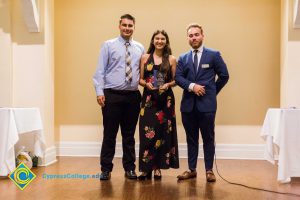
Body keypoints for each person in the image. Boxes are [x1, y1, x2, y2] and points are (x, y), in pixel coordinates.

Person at [93, 14, 144, 180]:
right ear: (119, 26)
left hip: (132, 97)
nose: (127, 28)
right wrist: (99, 92)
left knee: (129, 136)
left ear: (134, 27)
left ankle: (130, 168)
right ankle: (105, 169)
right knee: (109, 134)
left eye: (130, 25)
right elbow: (100, 71)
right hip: (112, 96)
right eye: (125, 25)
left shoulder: (140, 48)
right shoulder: (108, 45)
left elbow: (143, 73)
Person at [175, 24, 229, 182]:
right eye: (190, 35)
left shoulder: (213, 55)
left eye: (196, 35)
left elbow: (224, 75)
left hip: (207, 106)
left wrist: (211, 92)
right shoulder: (183, 58)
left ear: (202, 35)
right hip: (188, 107)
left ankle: (209, 170)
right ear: (187, 38)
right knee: (191, 139)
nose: (194, 38)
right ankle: (191, 169)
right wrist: (192, 86)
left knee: (208, 138)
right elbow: (178, 78)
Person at [138, 30, 179, 180]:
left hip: (165, 101)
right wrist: (147, 84)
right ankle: (145, 169)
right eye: (157, 38)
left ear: (166, 41)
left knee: (163, 133)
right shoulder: (144, 58)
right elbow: (140, 79)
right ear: (153, 41)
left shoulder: (172, 59)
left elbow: (176, 80)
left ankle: (158, 168)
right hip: (149, 100)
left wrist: (168, 84)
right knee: (147, 133)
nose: (160, 41)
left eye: (162, 39)